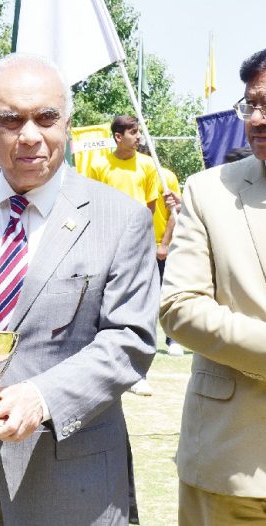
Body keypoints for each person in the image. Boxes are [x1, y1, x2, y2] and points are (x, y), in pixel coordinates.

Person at [0, 53, 159, 525]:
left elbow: (130, 340)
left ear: (67, 124)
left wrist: (42, 398)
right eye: (11, 120)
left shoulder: (120, 219)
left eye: (46, 118)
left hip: (72, 490)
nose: (30, 135)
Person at [160, 47, 266, 525]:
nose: (257, 119)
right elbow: (179, 307)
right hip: (232, 463)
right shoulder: (208, 191)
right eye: (251, 104)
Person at [89, 116, 159, 396]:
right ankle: (101, 367)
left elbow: (151, 205)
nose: (138, 137)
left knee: (139, 302)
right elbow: (92, 203)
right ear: (118, 137)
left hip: (138, 242)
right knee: (103, 303)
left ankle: (136, 373)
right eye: (133, 132)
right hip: (103, 242)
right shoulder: (98, 164)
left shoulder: (147, 165)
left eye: (138, 132)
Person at [138, 144, 183, 356]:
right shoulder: (130, 174)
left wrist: (164, 243)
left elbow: (175, 212)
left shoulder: (166, 177)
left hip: (161, 247)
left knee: (168, 293)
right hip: (137, 246)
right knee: (140, 296)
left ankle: (173, 339)